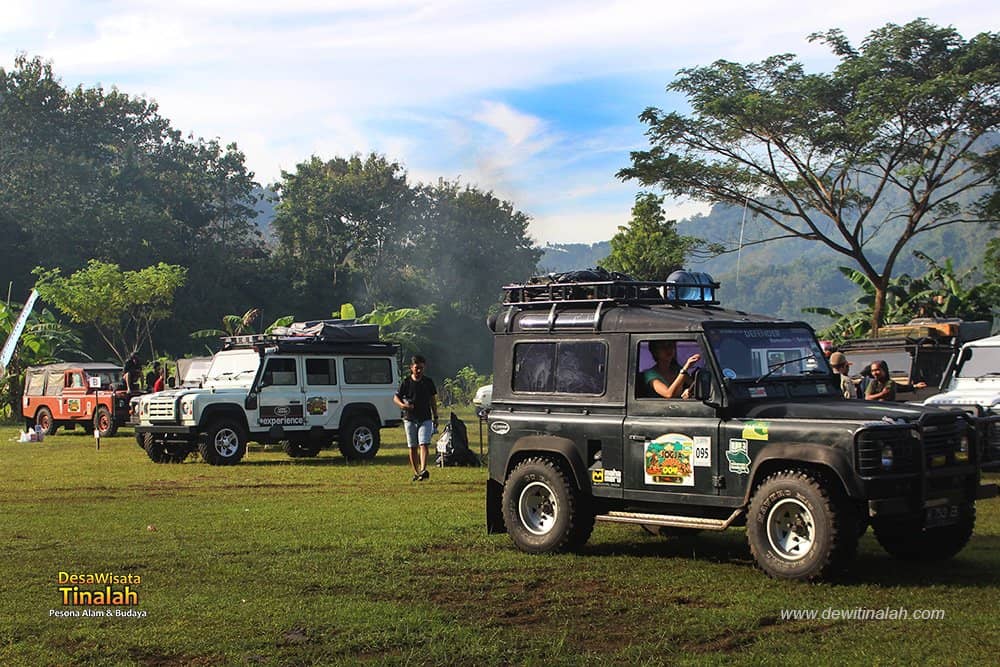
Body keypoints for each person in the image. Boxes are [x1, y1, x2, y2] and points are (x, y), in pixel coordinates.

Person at [393, 355, 439, 481]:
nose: (419, 371)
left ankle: (423, 469)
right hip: (409, 418)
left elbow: (432, 400)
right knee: (413, 446)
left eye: (422, 368)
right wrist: (403, 405)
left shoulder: (428, 382)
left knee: (424, 443)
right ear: (411, 368)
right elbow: (396, 397)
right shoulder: (406, 382)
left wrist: (435, 416)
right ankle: (416, 472)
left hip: (425, 418)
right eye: (417, 368)